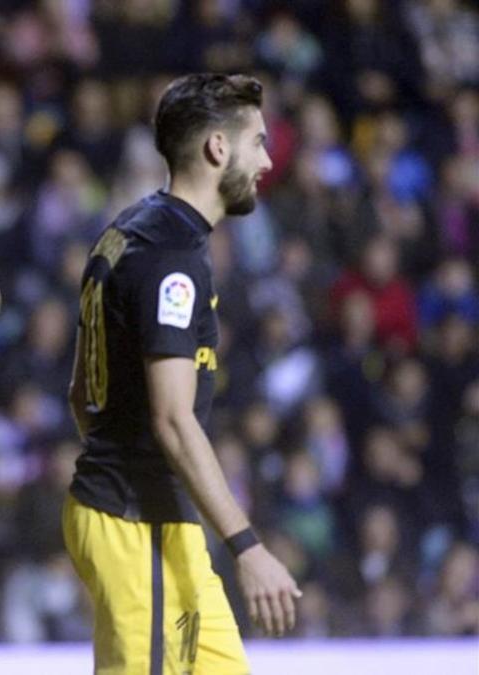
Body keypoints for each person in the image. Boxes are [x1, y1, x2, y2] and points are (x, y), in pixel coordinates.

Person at [64, 73, 301, 674]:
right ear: (218, 149)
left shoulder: (132, 232)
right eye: (259, 143)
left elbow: (81, 395)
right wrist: (246, 546)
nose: (268, 161)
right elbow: (172, 419)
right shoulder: (171, 257)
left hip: (155, 515)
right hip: (135, 522)